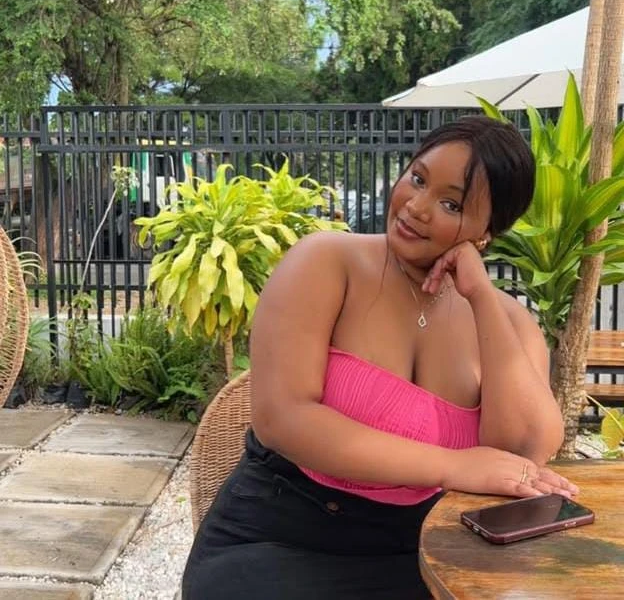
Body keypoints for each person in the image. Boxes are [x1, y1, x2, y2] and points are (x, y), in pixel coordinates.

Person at [182, 116, 577, 600]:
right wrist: (452, 465)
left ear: (488, 231)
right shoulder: (326, 262)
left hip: (425, 554)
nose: (416, 207)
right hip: (281, 538)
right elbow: (283, 418)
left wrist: (480, 297)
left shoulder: (506, 320)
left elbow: (524, 450)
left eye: (451, 203)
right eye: (418, 178)